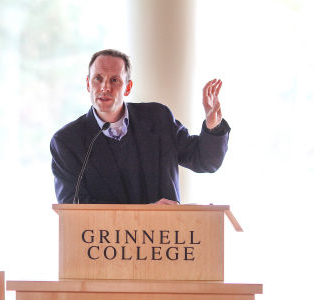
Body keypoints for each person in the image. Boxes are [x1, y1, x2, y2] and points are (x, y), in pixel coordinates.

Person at [50, 49, 230, 205]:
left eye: (114, 80)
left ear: (127, 88)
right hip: (103, 242)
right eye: (98, 78)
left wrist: (212, 123)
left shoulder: (158, 118)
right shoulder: (67, 141)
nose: (105, 87)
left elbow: (205, 161)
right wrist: (145, 212)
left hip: (163, 239)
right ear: (88, 84)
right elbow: (73, 205)